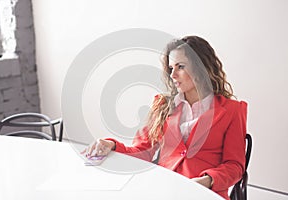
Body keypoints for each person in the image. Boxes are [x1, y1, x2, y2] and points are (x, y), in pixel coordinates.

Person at [84, 36, 247, 199]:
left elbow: (234, 166)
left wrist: (206, 181)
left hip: (205, 193)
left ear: (202, 67)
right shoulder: (162, 105)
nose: (173, 75)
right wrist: (112, 145)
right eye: (170, 68)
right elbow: (142, 151)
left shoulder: (232, 110)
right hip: (165, 190)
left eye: (180, 67)